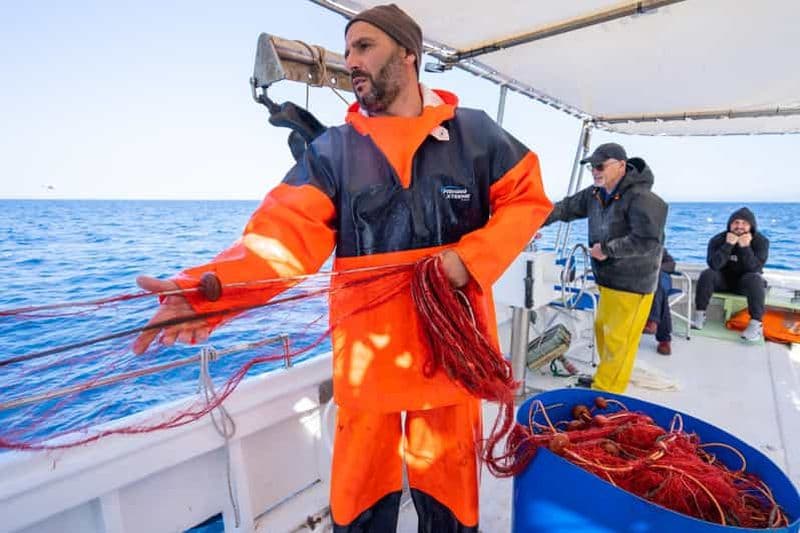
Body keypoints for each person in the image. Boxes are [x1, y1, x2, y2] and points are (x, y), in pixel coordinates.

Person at [131, 5, 553, 532]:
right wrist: (204, 293)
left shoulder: (477, 135)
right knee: (358, 505)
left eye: (364, 46)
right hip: (367, 371)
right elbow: (281, 239)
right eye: (349, 49)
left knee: (452, 507)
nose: (351, 61)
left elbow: (528, 199)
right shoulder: (332, 152)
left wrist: (470, 260)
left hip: (452, 362)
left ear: (408, 54)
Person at [542, 142, 667, 393]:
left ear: (621, 165)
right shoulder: (595, 194)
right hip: (607, 280)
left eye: (599, 165)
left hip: (633, 284)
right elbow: (565, 208)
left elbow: (647, 240)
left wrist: (607, 250)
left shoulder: (644, 199)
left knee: (618, 341)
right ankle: (604, 378)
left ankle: (607, 394)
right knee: (602, 332)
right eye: (591, 167)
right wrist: (533, 219)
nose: (594, 171)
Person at [693, 207, 769, 341]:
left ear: (751, 226)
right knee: (707, 273)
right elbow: (714, 265)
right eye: (736, 222)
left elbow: (755, 268)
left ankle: (756, 323)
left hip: (745, 283)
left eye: (744, 223)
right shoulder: (718, 239)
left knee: (755, 278)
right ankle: (700, 315)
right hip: (723, 279)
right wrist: (728, 245)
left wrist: (745, 247)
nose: (739, 226)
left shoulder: (760, 241)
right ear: (730, 224)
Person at [643, 248, 676, 355]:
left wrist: (655, 269)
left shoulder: (656, 247)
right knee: (662, 298)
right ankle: (664, 339)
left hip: (661, 277)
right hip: (641, 280)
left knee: (657, 284)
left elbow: (671, 264)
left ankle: (652, 321)